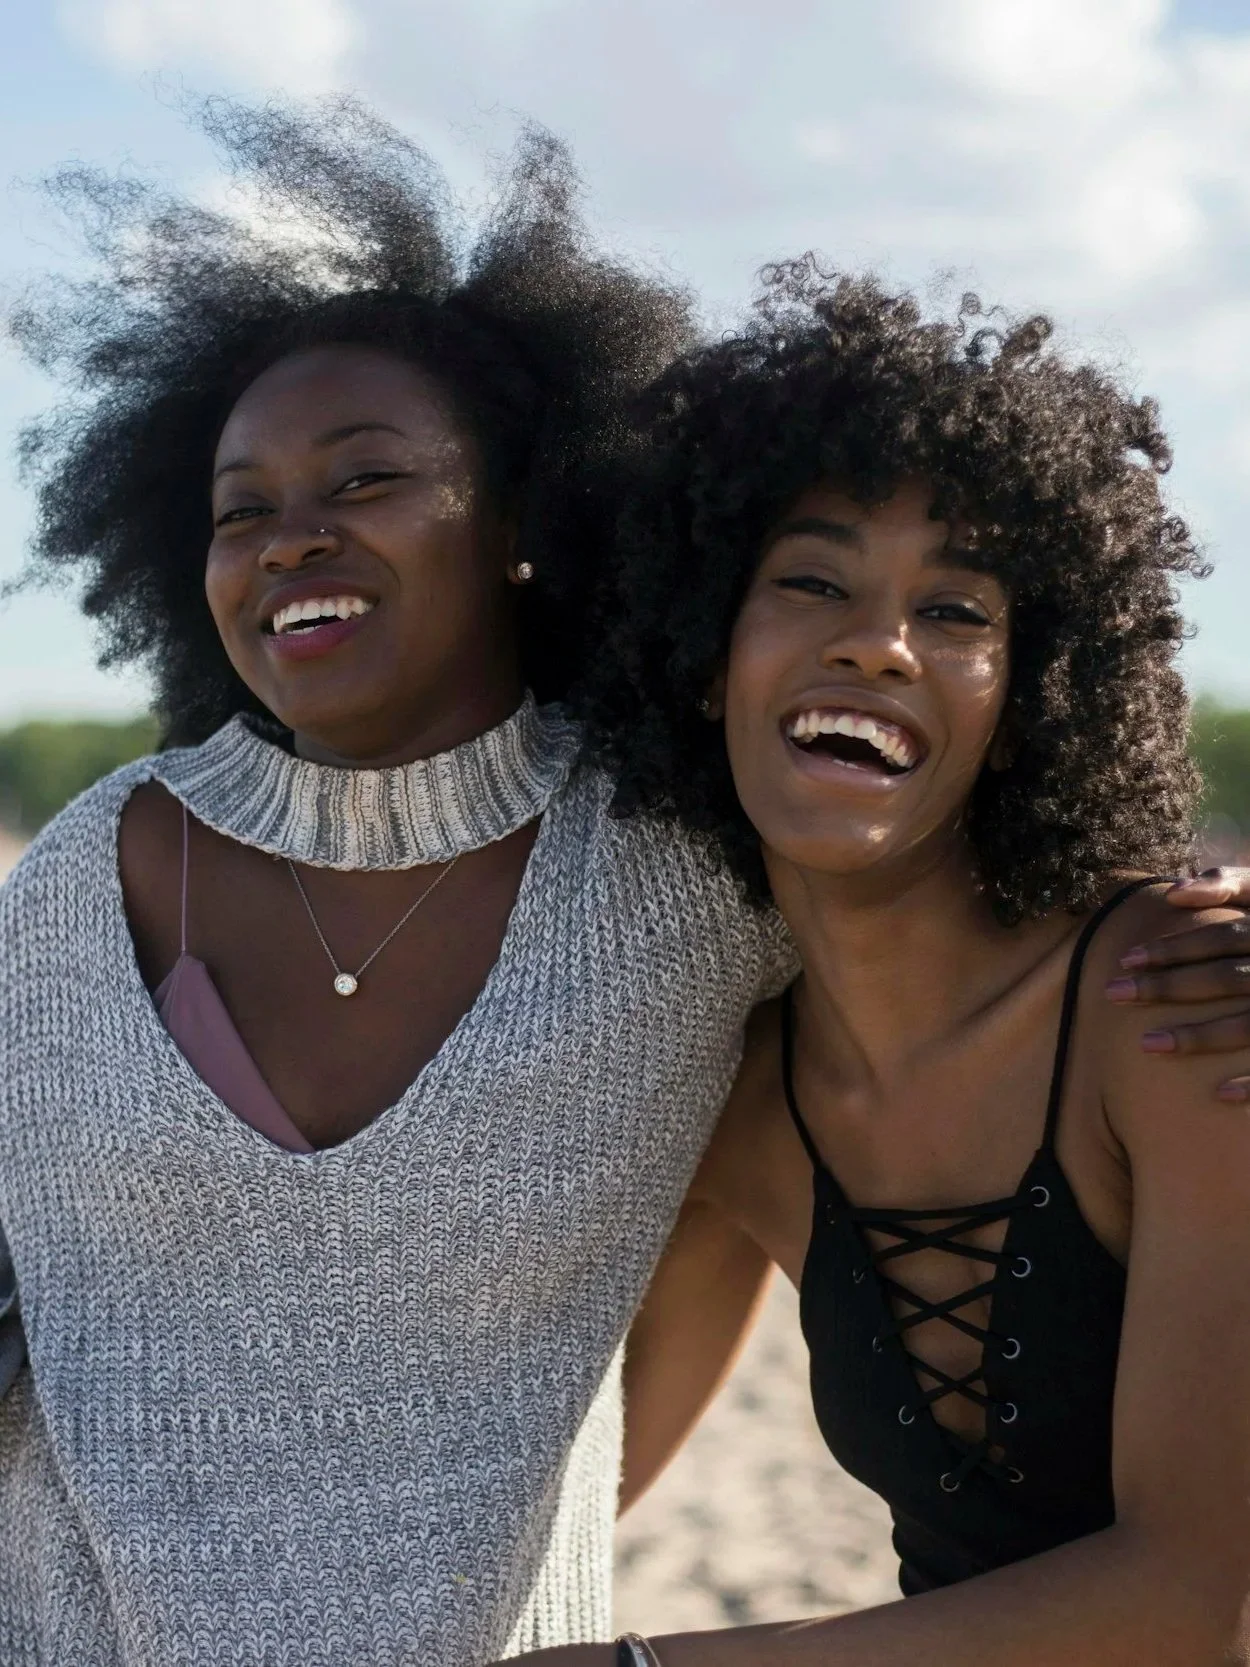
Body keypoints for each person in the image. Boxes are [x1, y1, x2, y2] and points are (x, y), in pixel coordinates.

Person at [1, 108, 1247, 1666]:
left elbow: (1199, 1594)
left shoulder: (721, 880)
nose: (291, 536)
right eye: (239, 507)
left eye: (368, 477)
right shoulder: (84, 877)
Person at [511, 268, 1250, 1665]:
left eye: (958, 610)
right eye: (811, 580)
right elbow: (545, 1504)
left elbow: (1196, 1602)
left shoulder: (1181, 1002)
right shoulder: (736, 1097)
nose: (877, 641)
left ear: (1028, 700)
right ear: (702, 651)